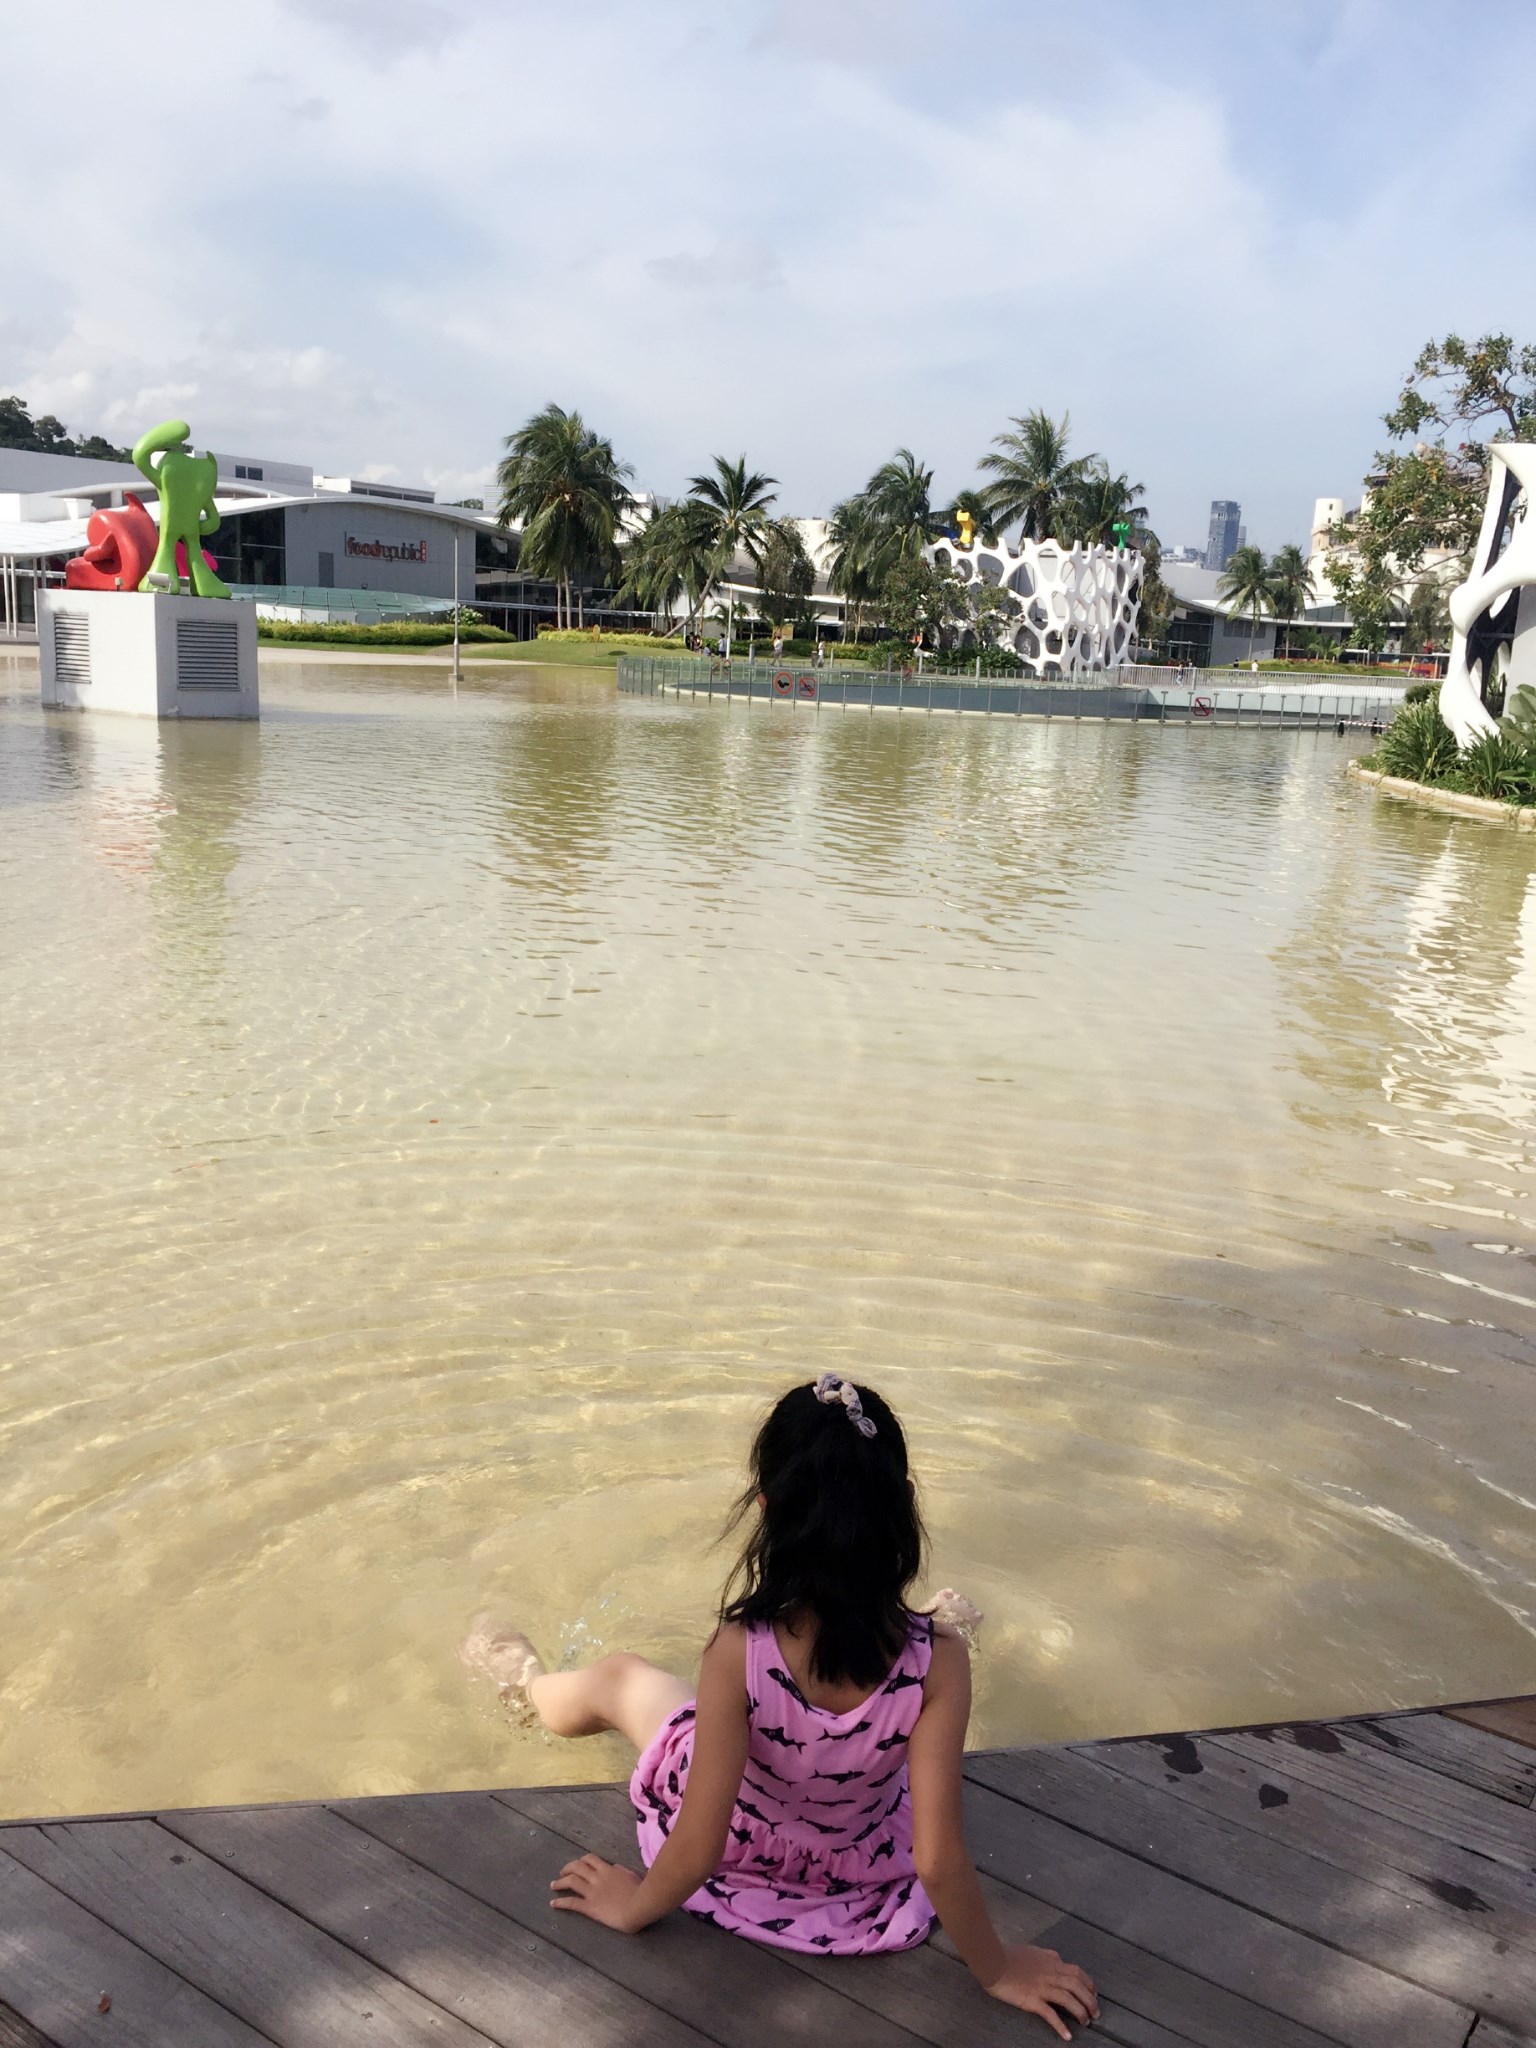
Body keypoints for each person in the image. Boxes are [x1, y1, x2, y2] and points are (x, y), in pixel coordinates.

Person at [462, 1377, 1099, 2040]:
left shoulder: (738, 1651)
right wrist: (996, 1970)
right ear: (904, 1505)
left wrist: (634, 1908)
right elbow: (937, 1860)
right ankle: (942, 1618)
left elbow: (701, 1844)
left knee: (624, 1679)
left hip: (744, 1851)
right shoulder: (940, 1664)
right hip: (860, 1856)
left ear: (766, 1510)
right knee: (927, 1649)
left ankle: (526, 1687)